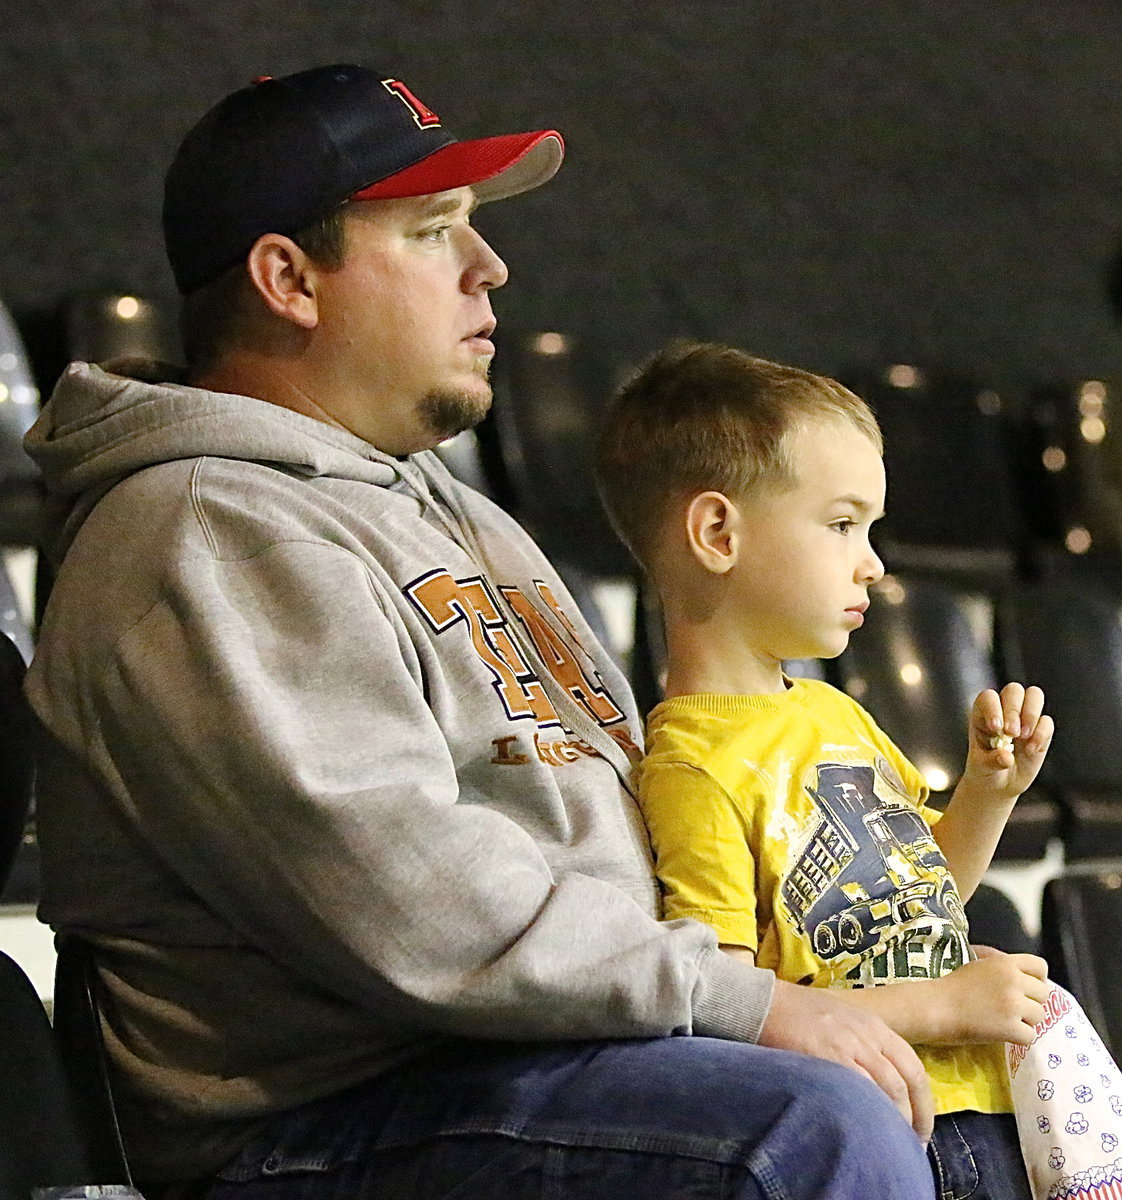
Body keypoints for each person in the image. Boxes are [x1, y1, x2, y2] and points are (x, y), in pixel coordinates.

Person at [24, 66, 937, 1199]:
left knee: (987, 1077)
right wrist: (745, 1003)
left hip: (541, 1063)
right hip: (329, 1120)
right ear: (288, 280)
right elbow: (413, 908)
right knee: (814, 1130)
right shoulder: (204, 532)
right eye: (435, 230)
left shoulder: (450, 509)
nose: (490, 267)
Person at [595, 339, 1056, 1200]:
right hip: (886, 1122)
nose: (873, 563)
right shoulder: (691, 767)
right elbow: (733, 1013)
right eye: (843, 524)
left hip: (982, 1103)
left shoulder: (835, 714)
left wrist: (990, 796)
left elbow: (922, 896)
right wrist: (942, 1007)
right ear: (717, 532)